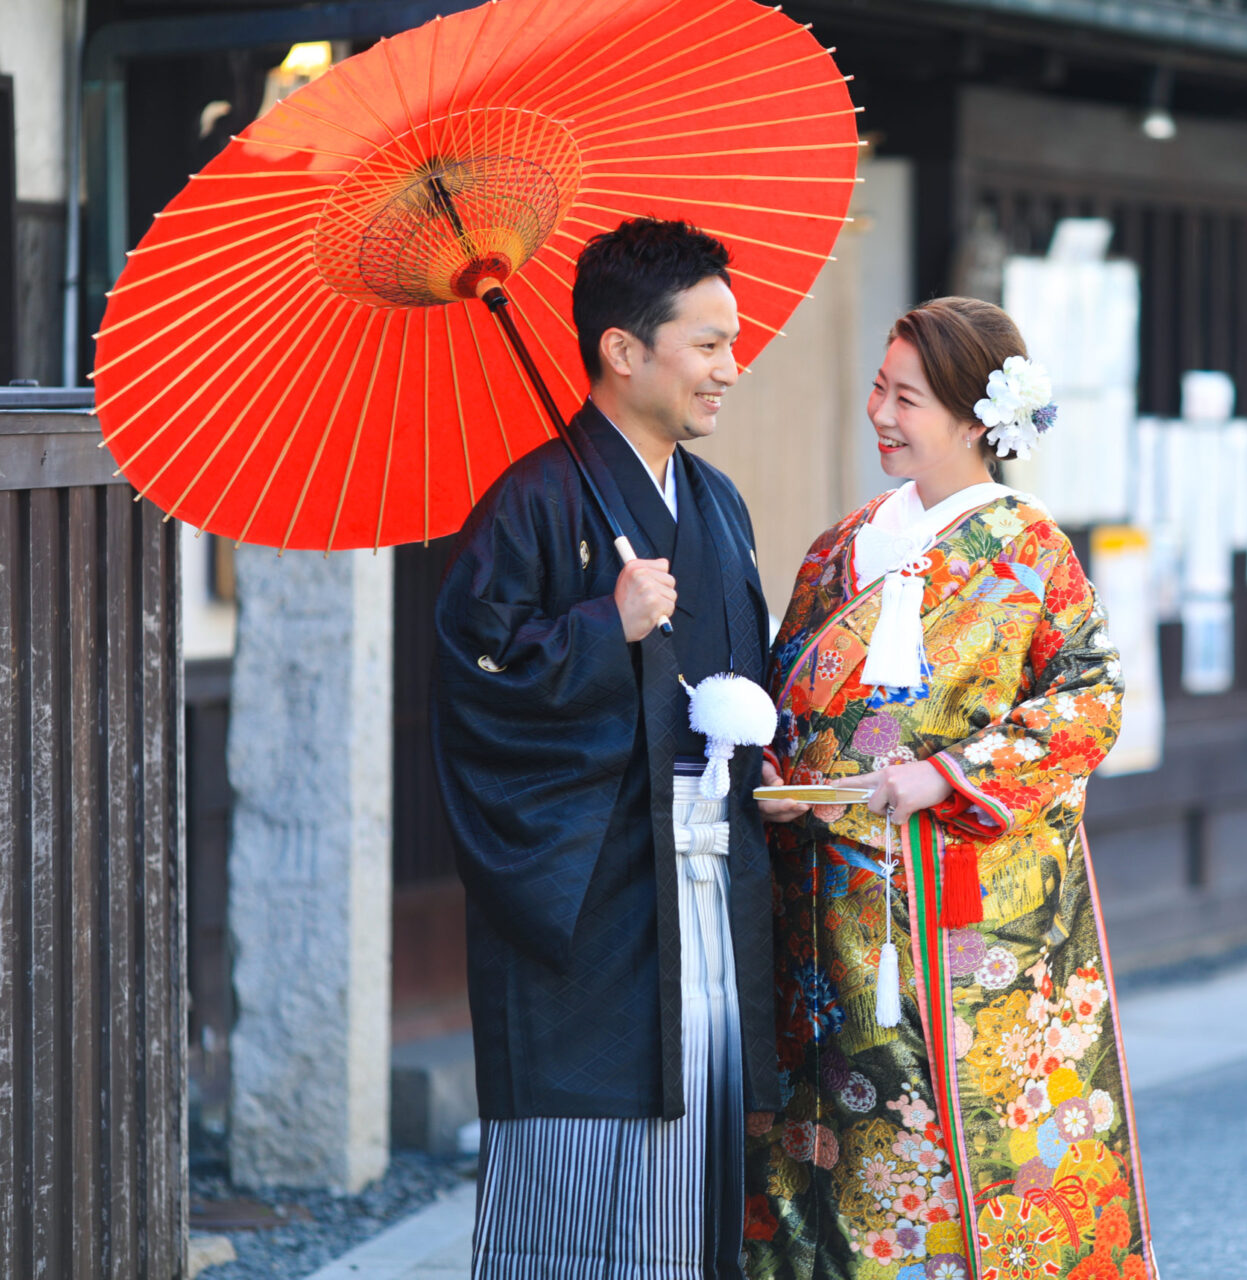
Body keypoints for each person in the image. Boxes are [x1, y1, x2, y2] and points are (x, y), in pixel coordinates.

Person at [743, 298, 1157, 1280]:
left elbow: (1088, 701)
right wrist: (777, 763)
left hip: (960, 909)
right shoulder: (838, 547)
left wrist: (946, 773)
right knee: (827, 1129)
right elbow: (792, 691)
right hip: (825, 901)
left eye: (908, 397)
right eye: (879, 389)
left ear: (977, 416)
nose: (882, 413)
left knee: (959, 1125)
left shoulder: (1028, 549)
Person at [432, 217, 805, 1280]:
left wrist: (766, 761)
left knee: (706, 1151)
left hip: (708, 875)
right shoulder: (533, 502)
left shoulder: (718, 505)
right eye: (709, 343)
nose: (730, 368)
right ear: (623, 350)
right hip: (596, 899)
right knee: (590, 1171)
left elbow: (738, 675)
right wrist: (606, 626)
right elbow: (474, 682)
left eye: (733, 342)